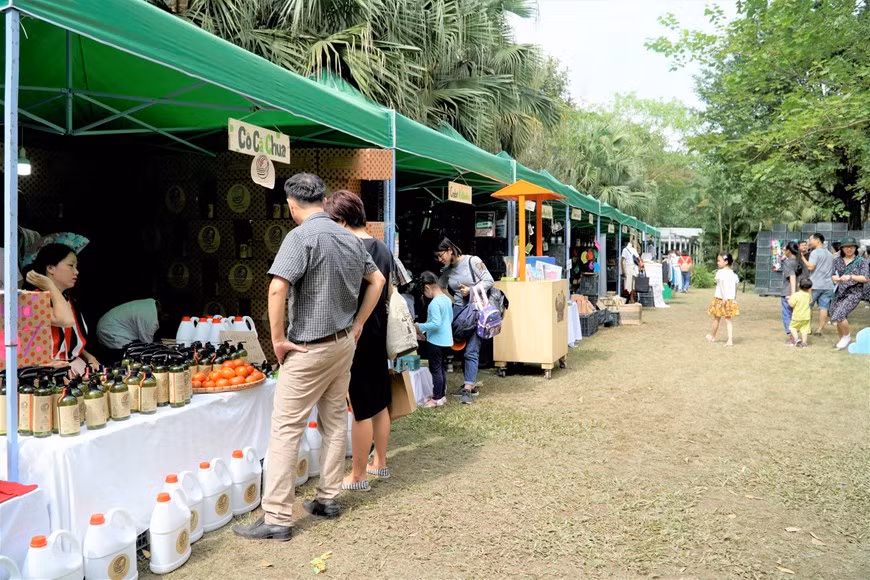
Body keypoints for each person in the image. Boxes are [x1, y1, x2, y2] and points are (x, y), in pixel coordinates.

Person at [233, 173, 385, 542]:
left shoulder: (300, 237)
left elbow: (276, 287)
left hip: (308, 348)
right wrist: (359, 323)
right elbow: (378, 281)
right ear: (322, 198)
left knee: (286, 429)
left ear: (291, 204)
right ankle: (328, 499)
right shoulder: (351, 238)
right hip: (342, 345)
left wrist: (278, 340)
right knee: (334, 421)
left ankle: (278, 518)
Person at [323, 190, 393, 492]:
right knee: (379, 402)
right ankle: (381, 462)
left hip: (357, 332)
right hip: (380, 330)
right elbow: (388, 290)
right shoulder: (382, 248)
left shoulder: (347, 248)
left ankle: (359, 474)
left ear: (341, 219)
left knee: (361, 406)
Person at [21, 243, 100, 372]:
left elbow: (69, 339)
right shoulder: (33, 299)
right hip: (48, 373)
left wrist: (88, 356)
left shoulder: (68, 299)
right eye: (70, 265)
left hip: (73, 366)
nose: (76, 271)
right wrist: (49, 285)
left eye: (76, 266)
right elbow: (65, 320)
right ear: (51, 268)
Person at [436, 237, 493, 405]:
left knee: (472, 350)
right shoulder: (447, 269)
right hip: (459, 313)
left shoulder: (472, 261)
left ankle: (468, 388)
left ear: (449, 250)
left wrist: (471, 290)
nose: (440, 260)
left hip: (476, 311)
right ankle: (466, 382)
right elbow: (441, 287)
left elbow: (489, 280)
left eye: (441, 255)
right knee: (453, 346)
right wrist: (453, 301)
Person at [415, 271, 453, 409]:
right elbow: (447, 320)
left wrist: (419, 326)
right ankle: (441, 395)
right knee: (441, 369)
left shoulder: (434, 304)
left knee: (435, 369)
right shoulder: (447, 300)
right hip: (447, 340)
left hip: (436, 341)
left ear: (427, 288)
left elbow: (435, 323)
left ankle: (436, 398)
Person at [830, 237, 869, 350]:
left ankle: (846, 337)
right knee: (835, 315)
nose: (849, 249)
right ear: (842, 248)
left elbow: (865, 278)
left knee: (840, 314)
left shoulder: (861, 261)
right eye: (846, 247)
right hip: (839, 292)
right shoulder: (837, 261)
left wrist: (850, 276)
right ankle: (842, 340)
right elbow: (833, 274)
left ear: (855, 248)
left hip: (854, 293)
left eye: (852, 247)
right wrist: (835, 278)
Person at [96, 298, 162, 355]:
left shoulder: (151, 302)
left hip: (107, 326)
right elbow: (147, 345)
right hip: (110, 332)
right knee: (134, 356)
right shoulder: (149, 318)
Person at [801, 233, 835, 336]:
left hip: (815, 285)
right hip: (828, 285)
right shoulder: (830, 254)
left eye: (810, 240)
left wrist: (802, 258)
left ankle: (807, 329)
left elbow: (811, 267)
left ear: (818, 240)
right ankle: (819, 330)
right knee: (824, 308)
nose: (809, 243)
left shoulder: (815, 253)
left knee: (808, 306)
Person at [706, 253, 739, 346]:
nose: (717, 262)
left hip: (721, 298)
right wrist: (734, 298)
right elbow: (736, 287)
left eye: (719, 260)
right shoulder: (733, 274)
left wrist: (724, 297)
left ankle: (712, 336)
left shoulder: (720, 272)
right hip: (730, 299)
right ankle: (730, 340)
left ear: (726, 262)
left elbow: (721, 284)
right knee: (728, 320)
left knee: (716, 318)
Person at [779, 242, 803, 345]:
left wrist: (792, 294)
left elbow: (792, 277)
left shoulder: (788, 262)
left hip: (788, 292)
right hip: (799, 291)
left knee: (787, 315)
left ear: (788, 250)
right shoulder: (799, 262)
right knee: (795, 315)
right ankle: (796, 336)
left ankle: (793, 338)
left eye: (785, 249)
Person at [788, 278, 813, 348]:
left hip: (797, 316)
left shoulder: (796, 295)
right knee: (804, 330)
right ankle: (804, 343)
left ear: (798, 285)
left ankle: (796, 339)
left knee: (792, 327)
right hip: (806, 317)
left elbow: (791, 304)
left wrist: (788, 299)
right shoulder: (808, 295)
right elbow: (810, 301)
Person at [621, 238, 640, 303]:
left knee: (628, 284)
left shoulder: (625, 250)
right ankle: (631, 298)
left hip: (628, 268)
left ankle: (630, 298)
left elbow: (622, 261)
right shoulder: (633, 250)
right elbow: (638, 259)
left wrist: (622, 271)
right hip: (633, 268)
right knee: (632, 284)